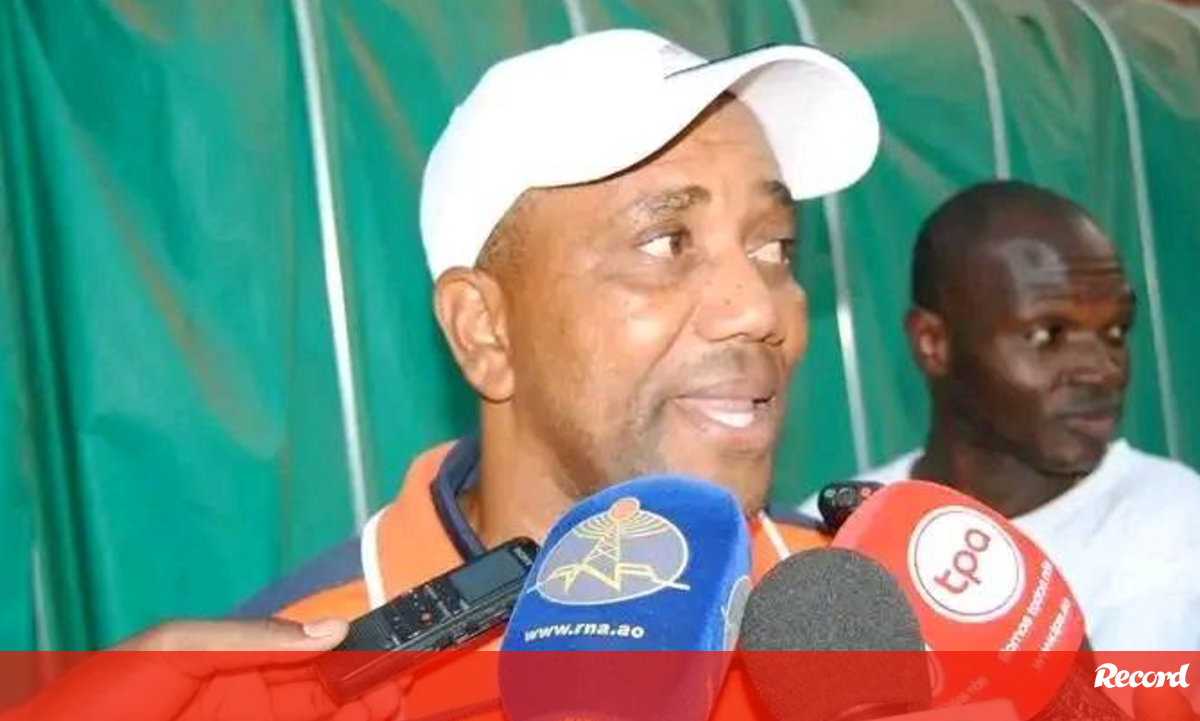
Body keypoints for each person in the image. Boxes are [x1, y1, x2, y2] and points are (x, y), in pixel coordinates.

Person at [225, 28, 880, 719]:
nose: (756, 309)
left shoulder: (873, 613)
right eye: (667, 243)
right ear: (484, 328)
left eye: (775, 247)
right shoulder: (284, 683)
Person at [801, 180, 1200, 651]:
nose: (1103, 369)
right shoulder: (832, 542)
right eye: (1047, 334)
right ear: (933, 343)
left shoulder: (1174, 526)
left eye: (1115, 330)